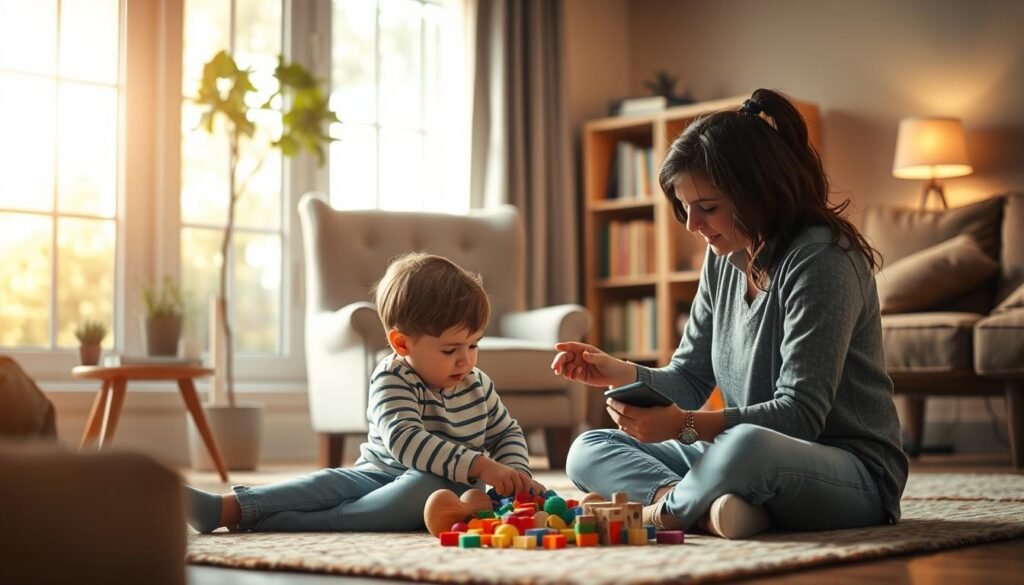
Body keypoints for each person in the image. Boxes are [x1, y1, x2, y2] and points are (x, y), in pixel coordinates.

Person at [552, 88, 908, 539]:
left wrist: (683, 426)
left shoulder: (823, 260)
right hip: (738, 458)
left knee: (745, 446)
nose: (691, 225)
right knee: (588, 447)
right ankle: (706, 507)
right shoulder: (725, 257)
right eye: (684, 208)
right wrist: (619, 372)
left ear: (758, 192)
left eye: (708, 208)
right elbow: (690, 377)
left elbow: (800, 415)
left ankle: (663, 513)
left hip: (851, 473)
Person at [186, 252, 544, 533]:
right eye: (450, 350)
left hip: (444, 487)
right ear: (402, 344)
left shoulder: (477, 383)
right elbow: (405, 439)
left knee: (436, 487)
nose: (465, 360)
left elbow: (505, 432)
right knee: (328, 484)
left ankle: (286, 519)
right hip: (379, 475)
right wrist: (480, 465)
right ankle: (226, 507)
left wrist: (514, 475)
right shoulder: (392, 377)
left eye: (473, 345)